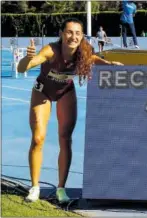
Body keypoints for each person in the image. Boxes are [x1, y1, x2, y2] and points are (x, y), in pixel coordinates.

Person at [17, 18, 123, 203]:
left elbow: (93, 59)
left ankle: (61, 189)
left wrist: (110, 64)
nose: (73, 36)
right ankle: (34, 188)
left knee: (65, 139)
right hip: (43, 92)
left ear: (82, 36)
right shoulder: (51, 50)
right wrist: (27, 58)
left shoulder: (84, 52)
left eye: (77, 33)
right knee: (38, 138)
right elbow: (23, 68)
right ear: (61, 34)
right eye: (69, 32)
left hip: (66, 92)